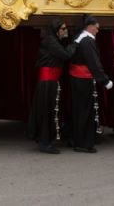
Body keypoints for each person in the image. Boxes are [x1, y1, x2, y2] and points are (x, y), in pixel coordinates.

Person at [27, 18, 76, 154]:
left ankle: (45, 140)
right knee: (46, 111)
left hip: (50, 82)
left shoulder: (53, 41)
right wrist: (75, 43)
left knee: (49, 111)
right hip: (47, 83)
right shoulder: (50, 41)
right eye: (63, 29)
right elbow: (66, 55)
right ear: (56, 30)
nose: (65, 31)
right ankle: (44, 142)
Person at [69, 16, 112, 153]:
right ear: (90, 26)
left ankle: (78, 140)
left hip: (78, 79)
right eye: (97, 28)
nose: (97, 31)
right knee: (85, 111)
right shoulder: (87, 41)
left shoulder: (80, 38)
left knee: (79, 111)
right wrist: (105, 80)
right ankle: (83, 143)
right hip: (83, 80)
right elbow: (93, 62)